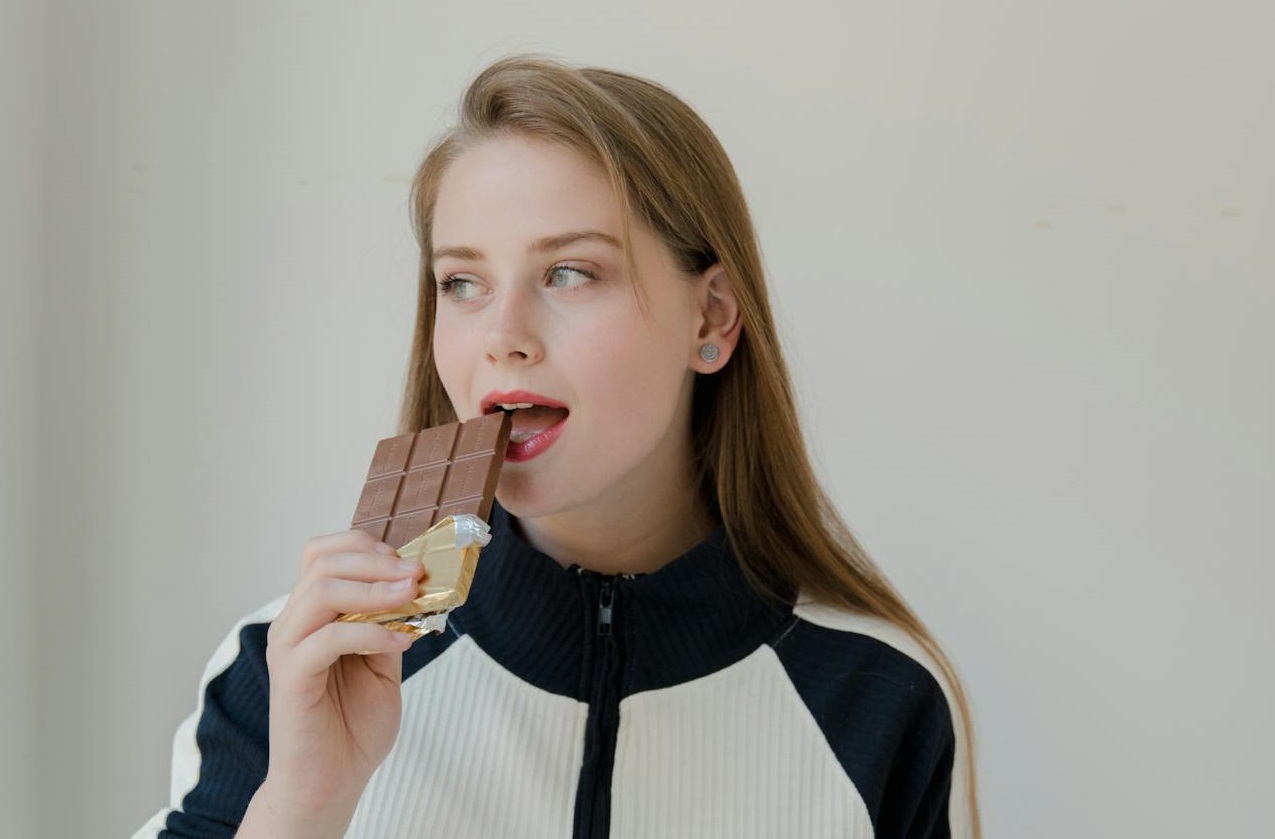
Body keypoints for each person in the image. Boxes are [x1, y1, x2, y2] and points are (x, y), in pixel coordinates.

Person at [136, 55, 979, 839]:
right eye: (462, 282)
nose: (502, 335)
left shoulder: (880, 699)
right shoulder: (291, 667)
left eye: (570, 272)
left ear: (712, 318)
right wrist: (304, 804)